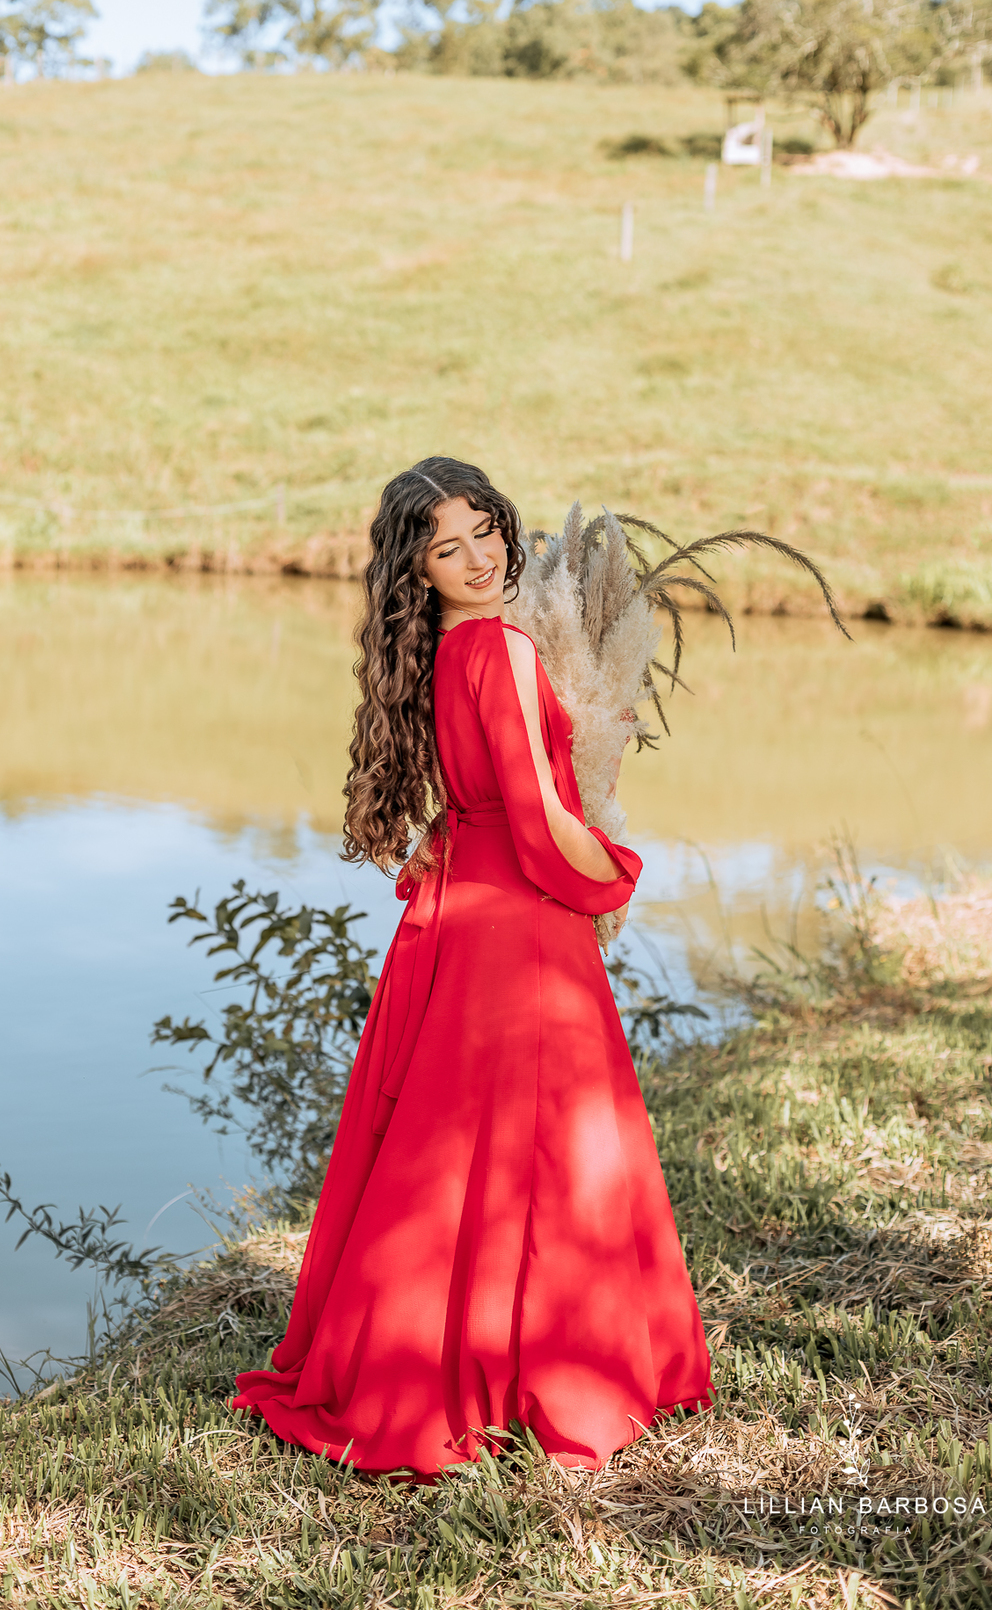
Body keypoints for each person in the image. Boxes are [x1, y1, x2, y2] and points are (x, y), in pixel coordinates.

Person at [234, 456, 712, 1477]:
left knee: (456, 1152)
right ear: (417, 570)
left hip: (461, 913)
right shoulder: (497, 646)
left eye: (486, 530)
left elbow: (470, 798)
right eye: (448, 548)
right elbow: (536, 816)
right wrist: (614, 873)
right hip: (517, 922)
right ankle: (544, 1371)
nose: (481, 558)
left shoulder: (444, 652)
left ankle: (446, 1356)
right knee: (543, 1149)